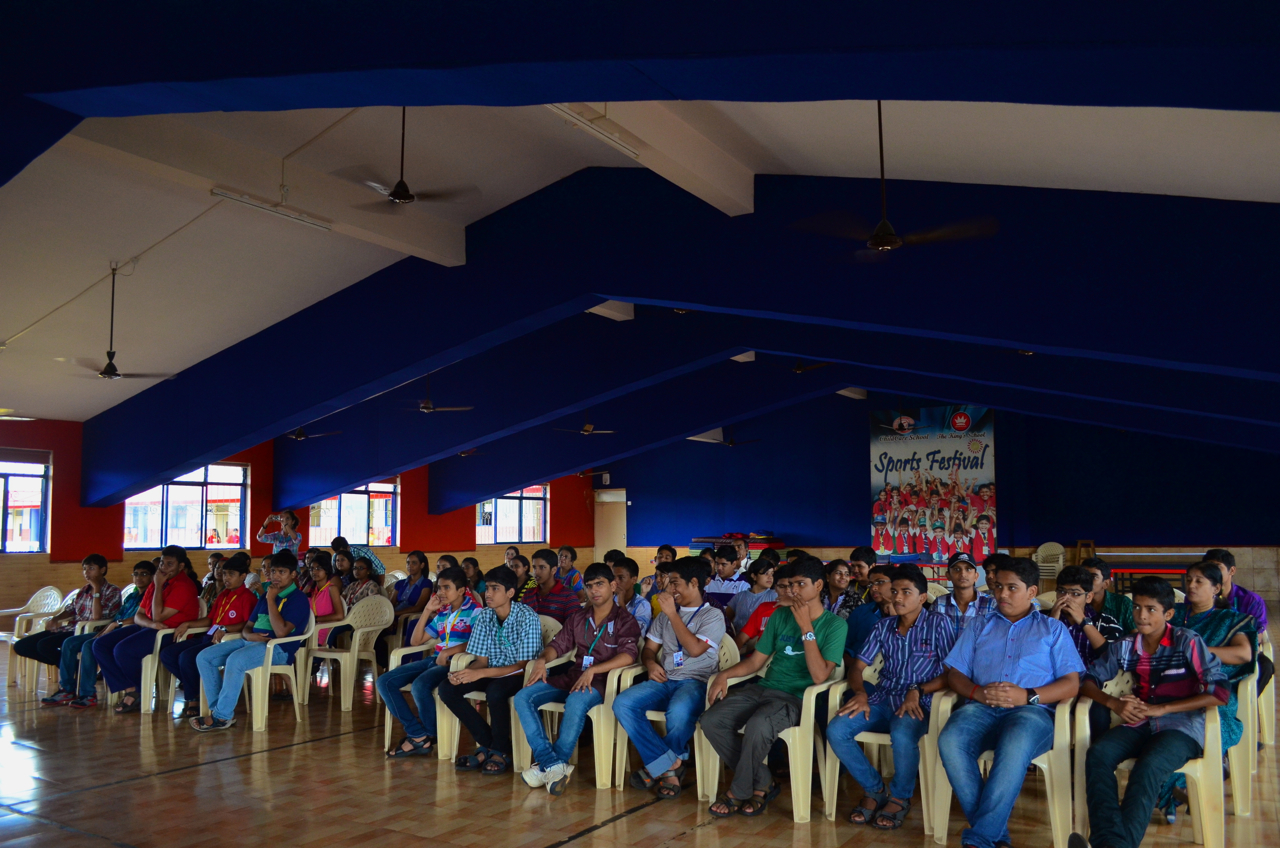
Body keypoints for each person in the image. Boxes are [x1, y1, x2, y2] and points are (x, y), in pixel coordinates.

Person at [937, 556, 1085, 848]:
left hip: (1032, 713)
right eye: (998, 587)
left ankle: (979, 839)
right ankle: (995, 835)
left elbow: (1071, 684)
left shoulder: (1052, 630)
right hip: (980, 708)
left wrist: (1028, 695)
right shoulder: (980, 625)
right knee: (950, 741)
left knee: (1014, 744)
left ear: (1031, 592)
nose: (1002, 594)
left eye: (1012, 588)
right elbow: (955, 674)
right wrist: (976, 693)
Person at [1076, 576, 1229, 848]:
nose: (1140, 615)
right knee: (1098, 755)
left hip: (1181, 728)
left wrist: (1164, 708)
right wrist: (1113, 703)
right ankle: (1112, 843)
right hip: (1140, 722)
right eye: (1136, 607)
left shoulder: (1187, 642)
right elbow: (1088, 680)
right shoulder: (1126, 645)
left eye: (1150, 609)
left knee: (1148, 767)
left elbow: (1219, 692)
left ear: (1168, 614)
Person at [701, 556, 848, 818]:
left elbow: (818, 676)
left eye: (800, 584)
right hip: (764, 688)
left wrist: (805, 626)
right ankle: (762, 781)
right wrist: (724, 674)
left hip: (796, 697)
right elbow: (756, 661)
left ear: (818, 586)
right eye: (790, 585)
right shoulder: (780, 615)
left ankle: (740, 791)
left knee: (759, 725)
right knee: (712, 720)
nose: (792, 591)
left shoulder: (835, 625)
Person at [828, 565, 957, 829]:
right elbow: (858, 668)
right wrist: (862, 693)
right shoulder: (883, 626)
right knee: (837, 729)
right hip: (883, 697)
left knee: (902, 733)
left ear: (922, 598)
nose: (897, 597)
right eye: (895, 591)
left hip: (920, 701)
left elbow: (951, 673)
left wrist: (919, 690)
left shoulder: (939, 624)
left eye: (906, 592)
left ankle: (900, 796)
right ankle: (874, 789)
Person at [517, 563, 642, 795]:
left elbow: (629, 656)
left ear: (613, 586)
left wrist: (594, 670)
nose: (595, 591)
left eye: (600, 584)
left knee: (575, 700)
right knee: (524, 696)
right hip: (574, 677)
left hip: (603, 682)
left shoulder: (625, 620)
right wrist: (543, 660)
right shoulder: (578, 617)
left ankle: (553, 763)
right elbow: (557, 645)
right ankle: (552, 763)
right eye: (590, 585)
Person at [615, 556, 727, 799]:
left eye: (675, 583)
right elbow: (648, 649)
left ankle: (659, 768)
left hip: (696, 681)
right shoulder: (665, 616)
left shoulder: (713, 616)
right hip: (664, 680)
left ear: (694, 583)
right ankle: (669, 764)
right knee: (622, 703)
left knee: (678, 712)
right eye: (668, 583)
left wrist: (672, 614)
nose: (669, 589)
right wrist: (650, 664)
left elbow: (695, 649)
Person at [1156, 559, 1258, 822]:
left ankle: (1172, 789)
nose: (1191, 585)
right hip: (1171, 688)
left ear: (1216, 588)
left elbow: (1243, 653)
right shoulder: (1172, 614)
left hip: (1212, 693)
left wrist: (1196, 651)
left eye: (1199, 581)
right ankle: (1167, 788)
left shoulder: (1230, 619)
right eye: (1188, 579)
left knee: (1201, 726)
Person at [191, 549, 312, 731]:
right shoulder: (266, 595)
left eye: (282, 572)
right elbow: (248, 626)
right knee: (204, 657)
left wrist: (271, 600)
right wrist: (249, 635)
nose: (275, 576)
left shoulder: (298, 598)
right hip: (251, 642)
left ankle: (221, 717)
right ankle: (220, 712)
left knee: (236, 660)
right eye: (273, 572)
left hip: (278, 649)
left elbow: (280, 632)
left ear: (293, 574)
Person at [438, 566, 542, 775]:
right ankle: (493, 744)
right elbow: (481, 661)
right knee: (447, 688)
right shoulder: (485, 616)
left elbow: (522, 667)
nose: (489, 594)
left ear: (510, 593)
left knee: (495, 691)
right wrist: (464, 673)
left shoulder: (526, 616)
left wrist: (480, 673)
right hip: (491, 672)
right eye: (487, 588)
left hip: (518, 676)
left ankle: (497, 750)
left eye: (495, 589)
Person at [378, 565, 480, 757]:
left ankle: (430, 735)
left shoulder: (476, 611)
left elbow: (477, 642)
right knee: (384, 681)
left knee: (419, 686)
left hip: (456, 663)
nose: (441, 592)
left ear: (461, 590)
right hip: (435, 660)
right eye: (439, 588)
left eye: (446, 588)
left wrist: (448, 652)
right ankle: (417, 734)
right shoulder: (443, 613)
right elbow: (416, 641)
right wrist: (426, 610)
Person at [92, 545, 202, 713]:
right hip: (149, 628)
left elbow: (159, 617)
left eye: (170, 564)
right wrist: (150, 623)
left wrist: (158, 586)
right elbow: (139, 615)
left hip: (170, 633)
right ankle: (130, 687)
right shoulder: (158, 582)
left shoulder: (183, 586)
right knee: (100, 645)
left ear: (181, 566)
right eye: (162, 563)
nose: (164, 568)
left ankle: (138, 690)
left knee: (123, 650)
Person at [45, 561, 154, 709]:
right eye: (135, 574)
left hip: (129, 633)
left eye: (144, 574)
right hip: (112, 630)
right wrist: (104, 631)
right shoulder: (131, 597)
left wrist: (117, 624)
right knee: (69, 643)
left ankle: (88, 694)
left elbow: (143, 618)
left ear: (153, 577)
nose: (139, 578)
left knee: (89, 645)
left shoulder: (151, 596)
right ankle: (67, 689)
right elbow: (114, 619)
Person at [159, 554, 256, 718]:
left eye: (231, 574)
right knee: (167, 654)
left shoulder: (248, 598)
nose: (226, 577)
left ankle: (194, 698)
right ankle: (197, 686)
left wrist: (225, 628)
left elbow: (248, 624)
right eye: (225, 573)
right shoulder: (223, 595)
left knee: (186, 657)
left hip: (224, 641)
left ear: (243, 576)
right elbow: (210, 619)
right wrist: (189, 624)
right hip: (208, 636)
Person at [24, 555, 123, 697]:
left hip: (89, 631)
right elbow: (71, 609)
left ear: (102, 570)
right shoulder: (83, 590)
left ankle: (71, 680)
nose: (86, 572)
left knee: (45, 645)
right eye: (84, 569)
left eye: (91, 568)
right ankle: (77, 668)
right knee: (23, 646)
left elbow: (97, 617)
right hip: (72, 628)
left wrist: (96, 591)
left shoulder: (112, 591)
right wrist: (56, 619)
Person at [1205, 548, 1272, 694]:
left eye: (1217, 567)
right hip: (1208, 651)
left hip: (1240, 651)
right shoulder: (1198, 597)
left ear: (1232, 571)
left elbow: (1257, 635)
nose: (1212, 572)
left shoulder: (1250, 600)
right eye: (1208, 567)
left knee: (1265, 666)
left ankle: (1240, 708)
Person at [1049, 565, 1125, 666]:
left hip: (1091, 679)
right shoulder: (1041, 618)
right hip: (1051, 679)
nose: (1066, 598)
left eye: (1075, 594)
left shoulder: (1106, 623)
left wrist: (1084, 621)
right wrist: (1051, 622)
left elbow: (1113, 659)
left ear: (1088, 597)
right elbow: (1034, 654)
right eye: (1062, 591)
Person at [933, 552, 996, 634]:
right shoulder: (939, 604)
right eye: (957, 569)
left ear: (976, 576)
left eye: (968, 569)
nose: (963, 574)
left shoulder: (990, 604)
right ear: (948, 575)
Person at [846, 565, 896, 664]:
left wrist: (894, 617)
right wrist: (857, 668)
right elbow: (844, 647)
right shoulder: (861, 612)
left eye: (880, 582)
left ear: (895, 584)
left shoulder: (908, 615)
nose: (873, 588)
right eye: (870, 584)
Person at [737, 570, 790, 653]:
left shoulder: (803, 610)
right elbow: (742, 637)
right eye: (782, 586)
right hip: (757, 658)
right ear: (775, 588)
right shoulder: (764, 607)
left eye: (791, 586)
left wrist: (793, 605)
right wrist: (733, 657)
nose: (787, 590)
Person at [1079, 557, 1136, 634]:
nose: (1086, 581)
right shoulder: (1077, 602)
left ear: (1106, 584)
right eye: (1084, 576)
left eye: (1093, 577)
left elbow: (1137, 638)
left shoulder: (1122, 603)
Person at [523, 549, 580, 623]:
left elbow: (574, 628)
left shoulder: (568, 597)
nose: (536, 572)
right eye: (534, 567)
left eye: (542, 567)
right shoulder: (528, 595)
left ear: (553, 570)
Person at [307, 550, 347, 646]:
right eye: (312, 569)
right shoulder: (312, 590)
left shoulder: (331, 589)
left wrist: (316, 619)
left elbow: (340, 615)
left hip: (324, 630)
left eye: (318, 568)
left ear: (326, 570)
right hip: (310, 629)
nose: (314, 571)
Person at [726, 559, 776, 630]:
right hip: (737, 639)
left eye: (772, 574)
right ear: (754, 576)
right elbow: (725, 618)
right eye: (766, 573)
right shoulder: (740, 596)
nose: (770, 577)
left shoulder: (774, 596)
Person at [612, 556, 652, 635]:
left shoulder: (643, 605)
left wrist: (621, 603)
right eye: (613, 577)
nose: (615, 581)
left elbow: (636, 634)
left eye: (621, 577)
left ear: (634, 580)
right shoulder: (609, 600)